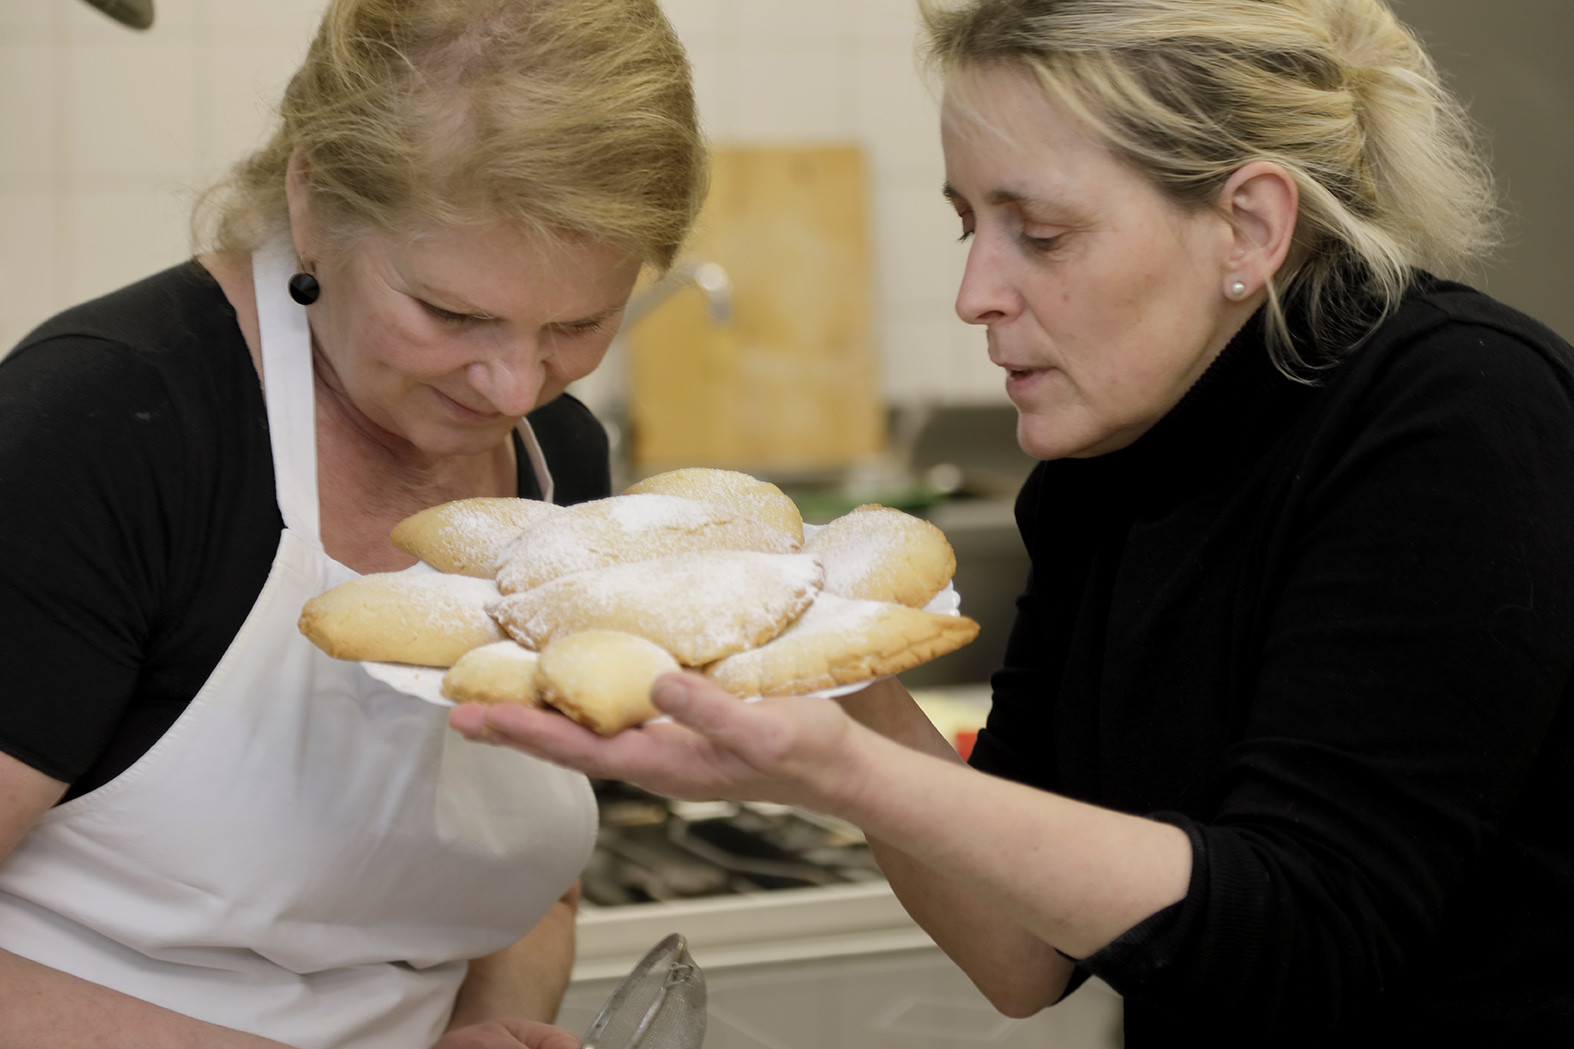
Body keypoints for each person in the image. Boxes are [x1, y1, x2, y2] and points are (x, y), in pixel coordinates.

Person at [450, 0, 1574, 1044]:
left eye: (1036, 232)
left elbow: (1303, 932)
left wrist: (843, 772)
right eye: (966, 226)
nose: (975, 291)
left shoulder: (1458, 415)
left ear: (1246, 224)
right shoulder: (1115, 450)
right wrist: (830, 667)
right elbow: (1024, 953)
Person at [0, 1, 704, 1047]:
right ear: (314, 197)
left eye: (576, 324)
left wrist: (490, 1022)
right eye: (451, 314)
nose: (515, 382)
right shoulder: (101, 430)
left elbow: (525, 883)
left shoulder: (560, 463)